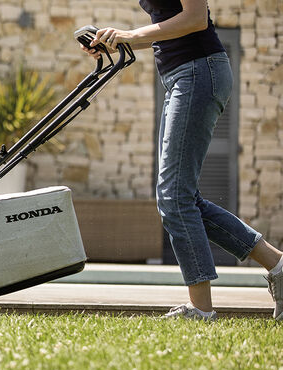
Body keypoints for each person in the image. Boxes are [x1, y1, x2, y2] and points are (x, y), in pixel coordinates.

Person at [82, 0, 283, 320]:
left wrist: (131, 33)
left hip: (198, 70)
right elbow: (167, 26)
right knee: (181, 196)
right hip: (183, 76)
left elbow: (194, 19)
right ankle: (278, 266)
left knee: (174, 196)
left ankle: (201, 310)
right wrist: (115, 40)